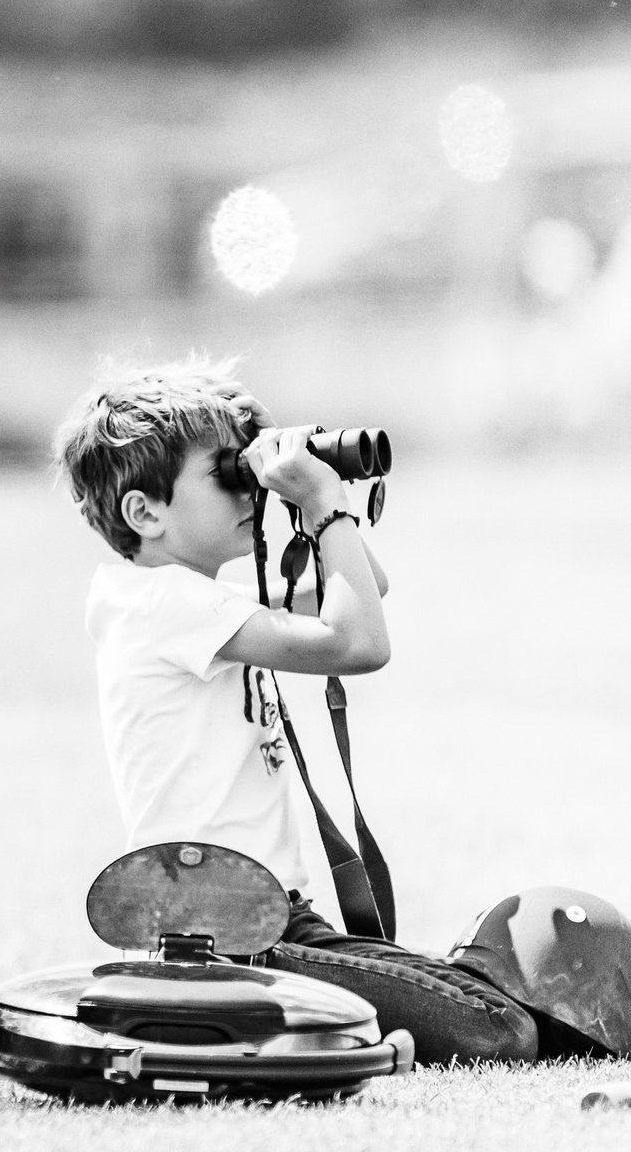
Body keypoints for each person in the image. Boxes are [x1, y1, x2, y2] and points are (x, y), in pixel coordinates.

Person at [53, 357, 540, 1063]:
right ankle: (299, 1030)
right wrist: (320, 504)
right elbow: (360, 640)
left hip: (267, 922)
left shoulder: (188, 603)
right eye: (226, 472)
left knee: (477, 995)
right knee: (495, 1027)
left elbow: (363, 584)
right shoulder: (166, 604)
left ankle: (323, 1026)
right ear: (145, 510)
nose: (247, 485)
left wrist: (299, 478)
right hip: (228, 935)